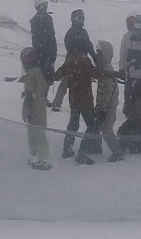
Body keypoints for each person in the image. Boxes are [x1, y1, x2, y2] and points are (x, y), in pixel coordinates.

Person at [53, 36, 116, 165]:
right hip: (85, 100)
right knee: (92, 126)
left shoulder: (70, 61)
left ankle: (67, 149)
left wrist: (47, 75)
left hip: (73, 99)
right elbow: (97, 73)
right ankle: (83, 152)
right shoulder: (85, 61)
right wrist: (114, 74)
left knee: (73, 124)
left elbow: (58, 74)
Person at [118, 14, 141, 154]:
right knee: (133, 110)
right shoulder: (131, 38)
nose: (137, 29)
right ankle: (131, 139)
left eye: (139, 26)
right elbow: (127, 55)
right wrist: (127, 69)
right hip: (132, 77)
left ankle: (140, 142)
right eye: (135, 26)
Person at [19, 48, 52, 170]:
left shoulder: (30, 74)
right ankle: (41, 157)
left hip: (34, 109)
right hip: (41, 107)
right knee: (40, 134)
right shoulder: (39, 72)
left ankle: (41, 158)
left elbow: (29, 94)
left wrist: (26, 110)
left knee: (35, 135)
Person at [94, 40, 125, 163]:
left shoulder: (107, 69)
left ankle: (118, 152)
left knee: (107, 130)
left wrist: (102, 108)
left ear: (106, 54)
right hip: (106, 104)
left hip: (109, 106)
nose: (97, 56)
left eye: (99, 54)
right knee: (102, 128)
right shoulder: (104, 68)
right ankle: (96, 146)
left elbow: (107, 90)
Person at [30, 0, 57, 102]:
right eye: (42, 6)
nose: (44, 8)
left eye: (46, 5)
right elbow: (36, 39)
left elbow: (52, 36)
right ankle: (38, 96)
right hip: (41, 53)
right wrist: (40, 53)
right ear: (37, 7)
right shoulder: (35, 20)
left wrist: (54, 51)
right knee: (41, 76)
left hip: (50, 52)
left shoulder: (49, 19)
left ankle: (43, 96)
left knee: (49, 77)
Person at [119, 12, 137, 116]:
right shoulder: (126, 37)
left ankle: (135, 105)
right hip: (128, 68)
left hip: (138, 68)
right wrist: (121, 68)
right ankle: (127, 105)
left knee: (136, 88)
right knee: (128, 88)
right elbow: (122, 53)